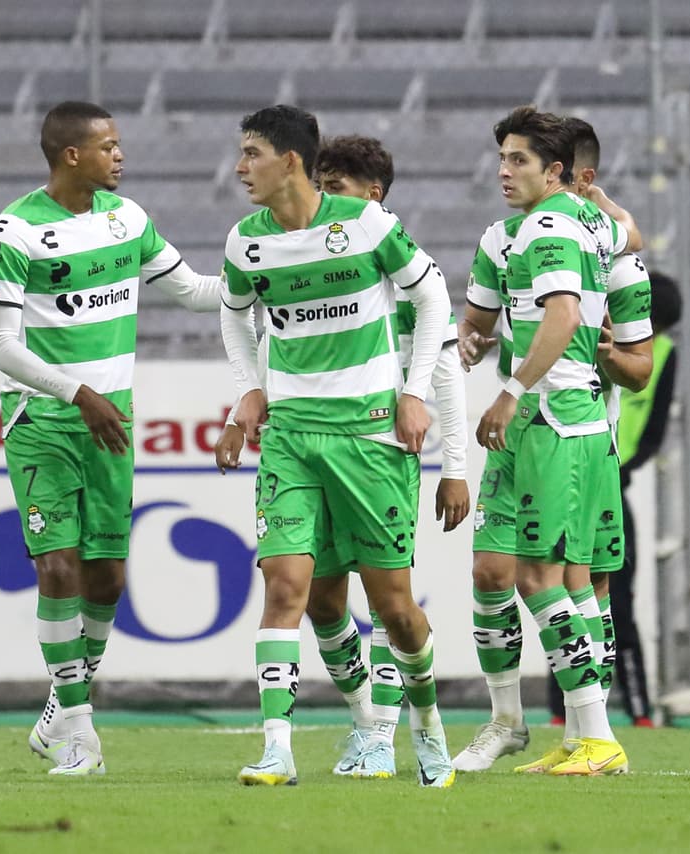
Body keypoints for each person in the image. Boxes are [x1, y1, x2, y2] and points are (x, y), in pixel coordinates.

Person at [214, 134, 470, 780]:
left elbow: (436, 301)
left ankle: (422, 726)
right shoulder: (246, 240)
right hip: (293, 436)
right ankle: (282, 747)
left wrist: (416, 400)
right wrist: (246, 392)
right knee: (290, 590)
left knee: (394, 608)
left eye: (252, 152)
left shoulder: (367, 226)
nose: (241, 167)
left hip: (370, 437)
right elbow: (233, 312)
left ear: (288, 160)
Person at [0, 101, 223, 776]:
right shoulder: (14, 232)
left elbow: (196, 291)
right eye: (109, 146)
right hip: (44, 422)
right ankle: (81, 732)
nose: (121, 156)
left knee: (108, 578)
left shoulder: (129, 219)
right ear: (71, 156)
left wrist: (273, 281)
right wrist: (75, 392)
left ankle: (64, 701)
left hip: (109, 421)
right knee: (57, 568)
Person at [455, 115, 650, 771]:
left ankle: (596, 734)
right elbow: (633, 234)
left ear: (556, 172)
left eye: (518, 161)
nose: (504, 171)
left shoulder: (548, 227)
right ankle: (563, 732)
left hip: (551, 418)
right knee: (518, 572)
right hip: (557, 420)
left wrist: (509, 389)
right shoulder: (584, 225)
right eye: (501, 159)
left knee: (543, 576)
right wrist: (471, 335)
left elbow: (564, 317)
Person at [543, 117, 654, 730]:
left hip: (587, 438)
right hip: (534, 433)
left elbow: (639, 370)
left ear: (572, 176)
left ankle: (594, 727)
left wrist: (601, 351)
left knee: (578, 581)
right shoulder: (515, 240)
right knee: (533, 577)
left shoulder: (615, 255)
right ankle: (573, 724)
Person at [611, 270, 681, 725]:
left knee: (618, 602)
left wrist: (621, 469)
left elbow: (654, 432)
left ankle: (639, 709)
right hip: (576, 477)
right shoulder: (597, 337)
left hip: (613, 486)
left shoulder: (665, 355)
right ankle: (562, 712)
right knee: (561, 596)